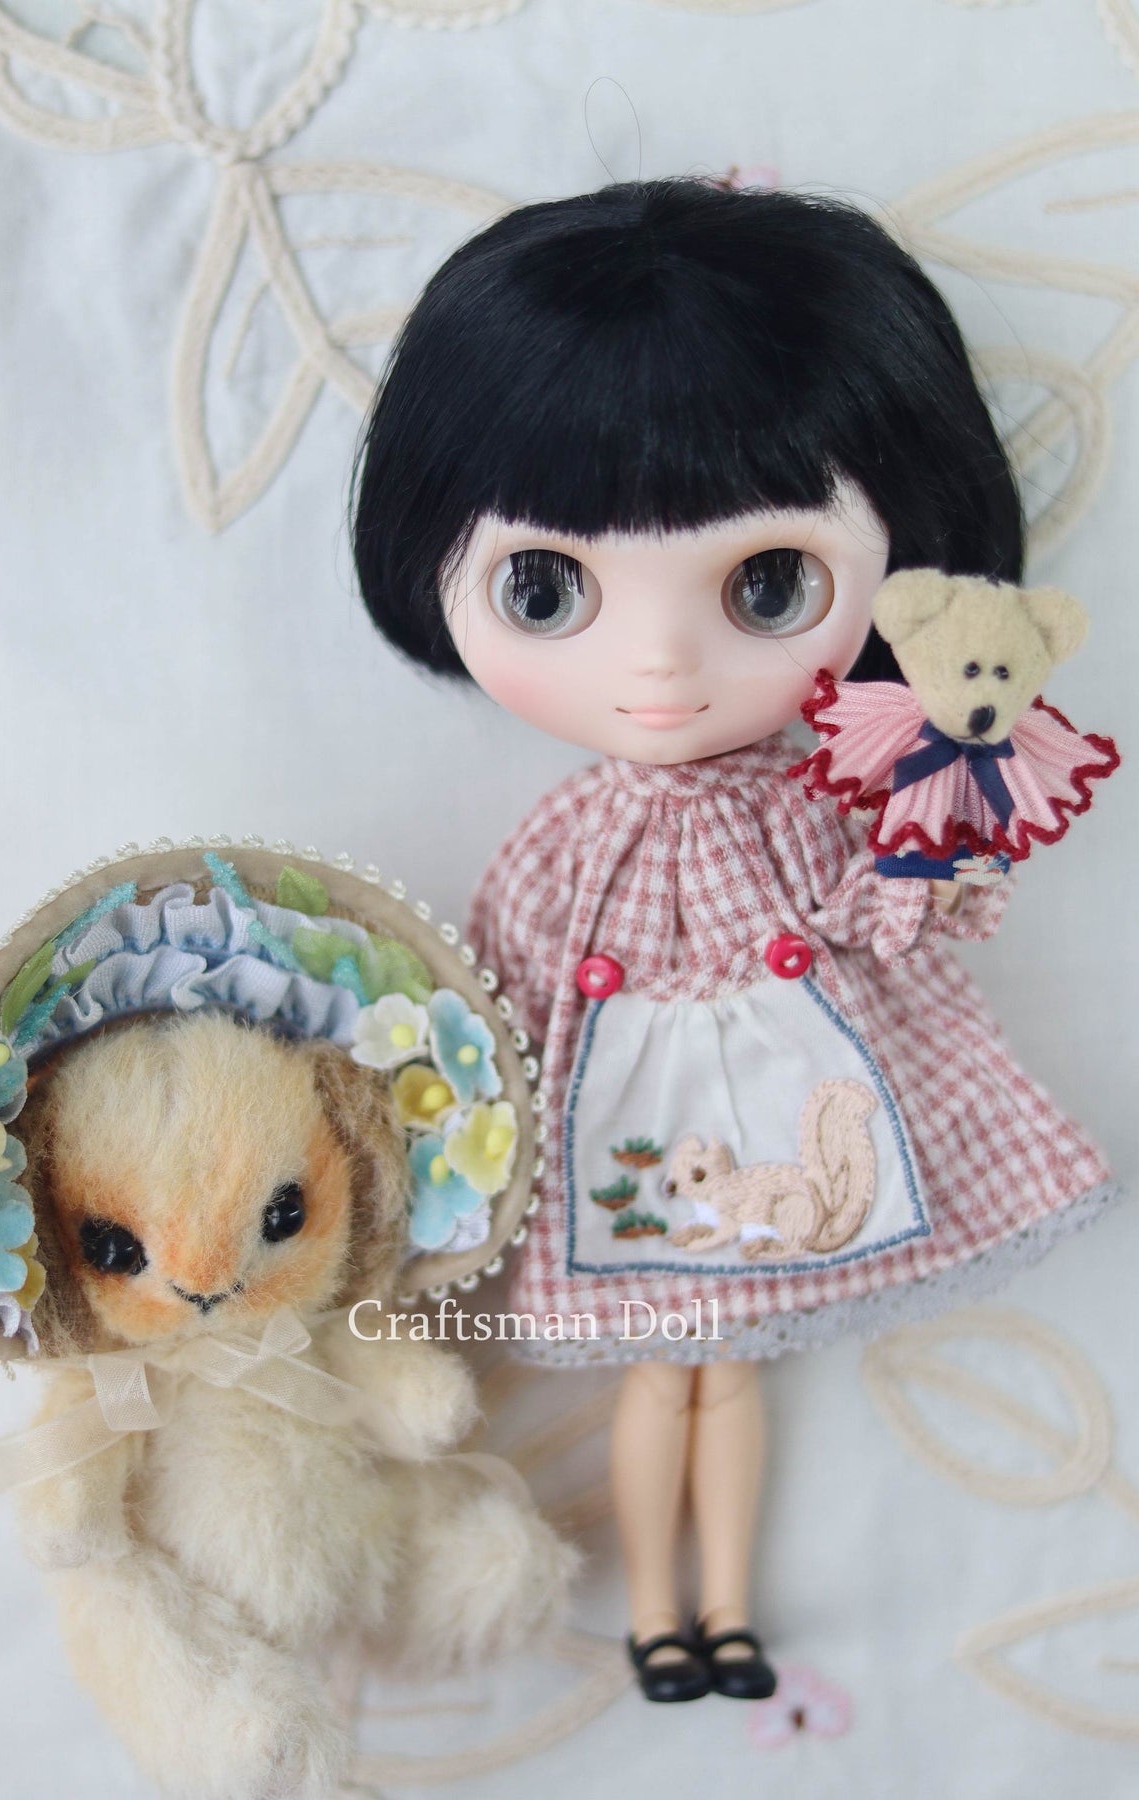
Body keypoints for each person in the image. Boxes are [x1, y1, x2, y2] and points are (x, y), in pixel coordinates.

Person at [350, 178, 1117, 1704]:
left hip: (786, 1122)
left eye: (766, 585)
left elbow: (878, 924)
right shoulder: (566, 840)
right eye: (547, 588)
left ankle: (720, 1612)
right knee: (671, 1376)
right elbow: (500, 985)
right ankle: (662, 1616)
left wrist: (924, 870)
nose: (658, 663)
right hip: (631, 1142)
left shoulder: (823, 793)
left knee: (726, 1378)